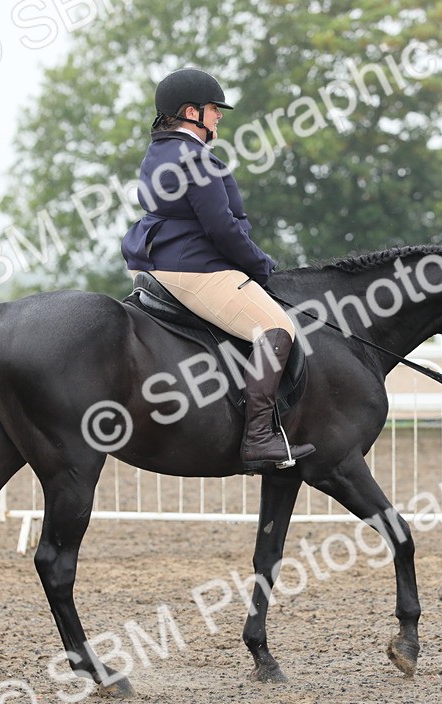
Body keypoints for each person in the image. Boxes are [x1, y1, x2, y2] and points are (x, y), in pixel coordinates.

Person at [122, 67, 315, 473]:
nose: (218, 117)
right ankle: (259, 437)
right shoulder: (196, 157)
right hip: (196, 269)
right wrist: (260, 264)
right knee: (276, 329)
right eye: (213, 109)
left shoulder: (157, 151)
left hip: (157, 264)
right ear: (190, 112)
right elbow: (222, 228)